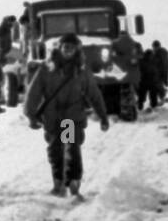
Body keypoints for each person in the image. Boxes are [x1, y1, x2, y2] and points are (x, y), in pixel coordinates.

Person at [24, 33, 109, 199]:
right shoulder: (47, 68)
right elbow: (33, 92)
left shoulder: (81, 71)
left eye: (71, 47)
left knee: (70, 147)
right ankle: (58, 182)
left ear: (77, 50)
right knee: (55, 151)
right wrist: (31, 115)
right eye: (65, 46)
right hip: (52, 117)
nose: (68, 50)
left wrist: (103, 116)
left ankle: (73, 182)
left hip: (70, 118)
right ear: (60, 48)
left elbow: (94, 94)